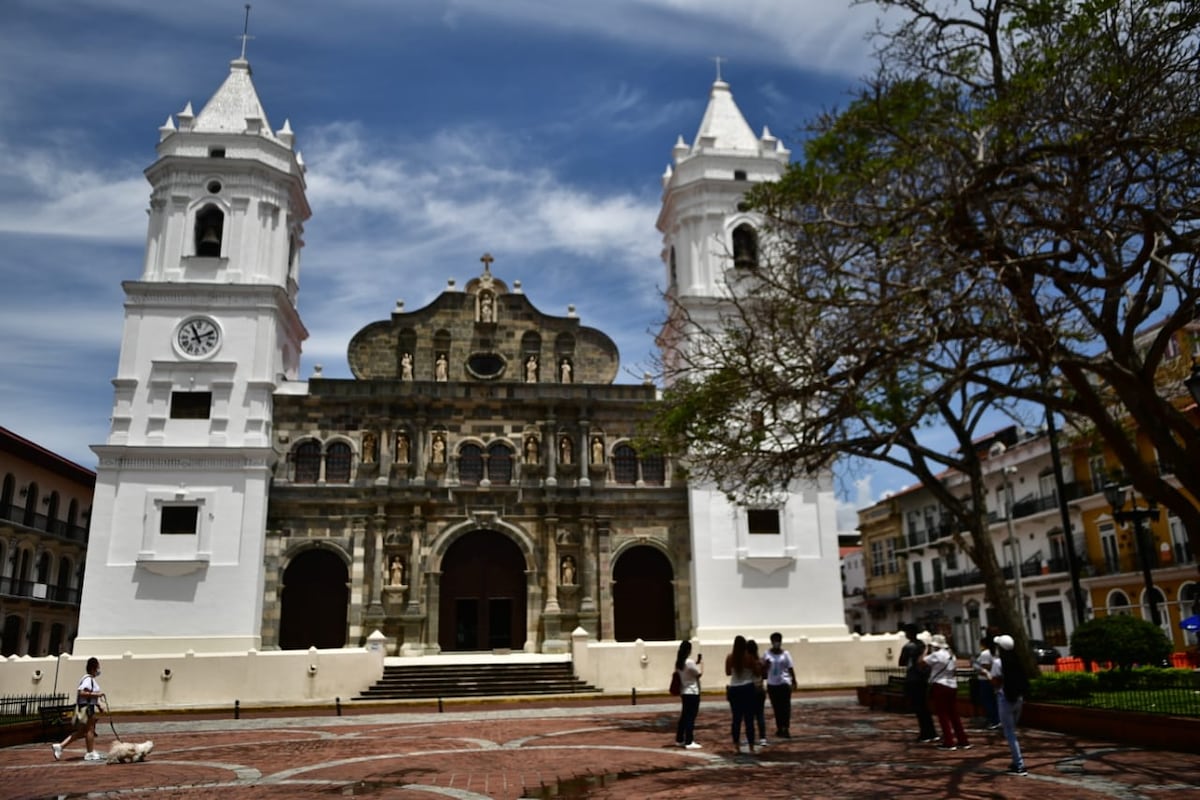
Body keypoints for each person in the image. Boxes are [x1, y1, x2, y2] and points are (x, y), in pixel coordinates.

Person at [52, 657, 106, 762]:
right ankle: (90, 753)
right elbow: (81, 692)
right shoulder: (88, 679)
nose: (99, 670)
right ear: (93, 668)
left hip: (86, 706)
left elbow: (89, 696)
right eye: (98, 667)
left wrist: (98, 704)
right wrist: (98, 694)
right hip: (87, 708)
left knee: (81, 731)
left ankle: (60, 746)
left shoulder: (90, 680)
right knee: (90, 730)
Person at [991, 633, 1030, 776]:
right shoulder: (1017, 660)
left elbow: (995, 681)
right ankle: (1015, 762)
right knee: (1012, 730)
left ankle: (1019, 765)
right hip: (1018, 699)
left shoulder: (998, 662)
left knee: (1010, 733)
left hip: (1005, 698)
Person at [924, 634, 971, 751]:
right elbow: (954, 671)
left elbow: (921, 662)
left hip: (940, 685)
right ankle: (962, 740)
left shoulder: (935, 655)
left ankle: (949, 741)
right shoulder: (951, 655)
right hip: (952, 685)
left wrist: (926, 650)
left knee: (943, 715)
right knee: (954, 714)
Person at [899, 623, 937, 743]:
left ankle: (925, 733)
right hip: (922, 678)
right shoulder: (922, 645)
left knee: (918, 707)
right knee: (924, 706)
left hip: (913, 678)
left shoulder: (908, 646)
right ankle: (931, 731)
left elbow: (901, 662)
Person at [725, 635, 759, 754]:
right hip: (748, 688)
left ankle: (736, 746)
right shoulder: (749, 657)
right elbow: (757, 672)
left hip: (735, 688)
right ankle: (751, 747)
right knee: (749, 719)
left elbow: (728, 672)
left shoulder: (730, 657)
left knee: (736, 719)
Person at [763, 631, 798, 738]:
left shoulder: (785, 654)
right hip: (772, 684)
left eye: (779, 640)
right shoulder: (767, 654)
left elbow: (790, 667)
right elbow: (763, 671)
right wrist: (766, 666)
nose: (777, 643)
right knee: (777, 707)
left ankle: (785, 728)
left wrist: (794, 680)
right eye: (775, 640)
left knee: (785, 707)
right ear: (771, 641)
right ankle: (779, 727)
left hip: (784, 683)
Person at [673, 640, 704, 749]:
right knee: (691, 716)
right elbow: (698, 673)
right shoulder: (689, 662)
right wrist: (701, 664)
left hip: (684, 691)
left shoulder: (679, 663)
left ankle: (680, 738)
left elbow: (689, 669)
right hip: (692, 691)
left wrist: (696, 662)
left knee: (684, 716)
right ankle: (689, 741)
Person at [973, 635, 1000, 729]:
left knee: (987, 701)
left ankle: (994, 720)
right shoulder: (993, 653)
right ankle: (995, 719)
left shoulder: (985, 654)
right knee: (993, 700)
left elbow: (986, 667)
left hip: (985, 680)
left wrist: (977, 667)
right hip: (991, 679)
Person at [746, 639, 768, 747]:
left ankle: (751, 737)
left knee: (749, 715)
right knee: (760, 714)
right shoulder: (760, 661)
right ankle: (762, 737)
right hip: (759, 688)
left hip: (749, 689)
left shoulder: (746, 662)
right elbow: (765, 675)